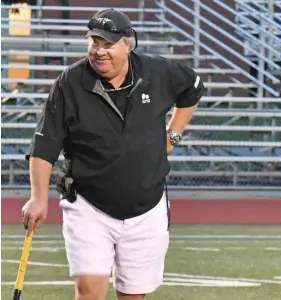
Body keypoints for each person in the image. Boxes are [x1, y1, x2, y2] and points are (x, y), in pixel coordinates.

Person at [21, 8, 205, 300]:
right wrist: (38, 197)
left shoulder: (158, 71)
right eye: (94, 42)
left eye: (108, 43)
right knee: (90, 292)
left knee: (133, 295)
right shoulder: (69, 83)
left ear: (127, 44)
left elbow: (193, 87)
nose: (99, 50)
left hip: (148, 204)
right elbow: (44, 144)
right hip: (87, 204)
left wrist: (173, 133)